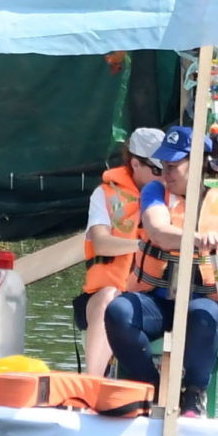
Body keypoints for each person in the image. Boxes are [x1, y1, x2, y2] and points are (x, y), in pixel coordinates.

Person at [101, 127, 218, 416]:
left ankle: (194, 395)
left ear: (196, 165)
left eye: (173, 166)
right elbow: (157, 231)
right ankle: (151, 388)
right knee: (118, 311)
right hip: (155, 301)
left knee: (203, 316)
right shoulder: (155, 193)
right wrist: (196, 239)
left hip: (202, 303)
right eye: (162, 165)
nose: (165, 172)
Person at [74, 126, 165, 376]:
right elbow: (101, 242)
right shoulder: (105, 195)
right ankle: (91, 383)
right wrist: (143, 244)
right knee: (109, 297)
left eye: (168, 168)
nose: (164, 176)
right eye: (157, 170)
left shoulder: (172, 198)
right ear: (135, 164)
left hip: (149, 297)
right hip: (105, 292)